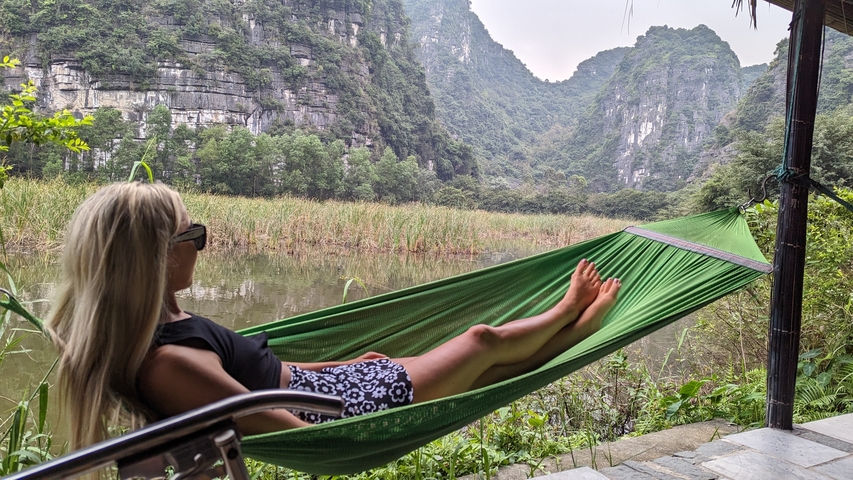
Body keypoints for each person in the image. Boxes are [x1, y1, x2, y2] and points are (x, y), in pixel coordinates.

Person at [46, 182, 620, 450]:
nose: (202, 244)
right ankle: (571, 314)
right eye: (193, 234)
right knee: (482, 341)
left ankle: (573, 327)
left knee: (485, 371)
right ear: (155, 256)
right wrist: (355, 433)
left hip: (336, 386)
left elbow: (264, 374)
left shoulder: (164, 328)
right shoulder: (169, 362)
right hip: (345, 411)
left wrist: (345, 362)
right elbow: (285, 423)